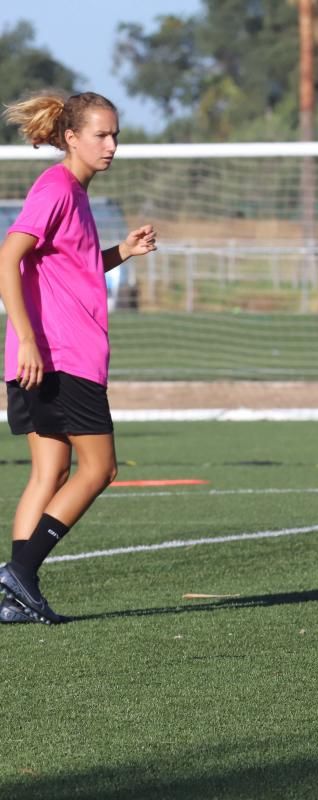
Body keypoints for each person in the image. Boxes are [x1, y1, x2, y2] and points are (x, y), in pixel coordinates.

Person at [0, 92, 157, 624]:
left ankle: (13, 598)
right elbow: (8, 256)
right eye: (101, 135)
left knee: (49, 473)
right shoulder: (57, 187)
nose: (112, 145)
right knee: (100, 467)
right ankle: (20, 573)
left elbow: (74, 272)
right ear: (71, 138)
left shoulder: (76, 195)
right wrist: (26, 338)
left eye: (116, 135)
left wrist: (122, 253)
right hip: (60, 358)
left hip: (45, 359)